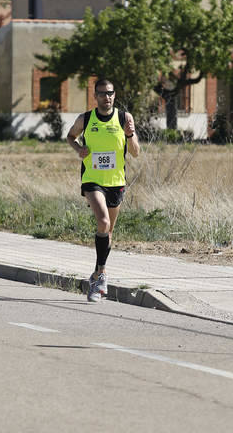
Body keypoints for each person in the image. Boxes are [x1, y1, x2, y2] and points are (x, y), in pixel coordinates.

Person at [66, 78, 140, 302]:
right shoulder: (86, 118)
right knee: (103, 223)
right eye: (101, 94)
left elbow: (135, 152)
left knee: (108, 233)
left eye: (110, 93)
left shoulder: (124, 118)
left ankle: (98, 274)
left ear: (114, 95)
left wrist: (130, 134)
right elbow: (70, 136)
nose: (106, 97)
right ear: (95, 96)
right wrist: (79, 148)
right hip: (92, 179)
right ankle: (102, 278)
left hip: (116, 181)